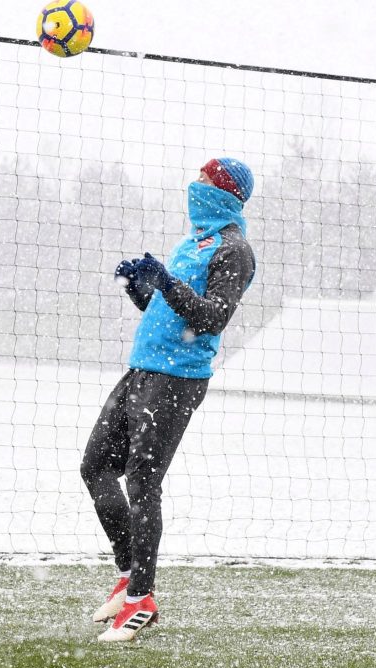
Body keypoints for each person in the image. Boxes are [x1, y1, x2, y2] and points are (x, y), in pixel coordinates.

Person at [81, 158, 257, 642]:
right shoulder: (192, 242)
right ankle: (128, 574)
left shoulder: (234, 249)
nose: (193, 184)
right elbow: (170, 306)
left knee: (142, 480)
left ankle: (142, 597)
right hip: (141, 368)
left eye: (204, 179)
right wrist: (142, 290)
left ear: (226, 191)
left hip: (177, 380)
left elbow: (210, 318)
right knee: (95, 466)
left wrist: (164, 281)